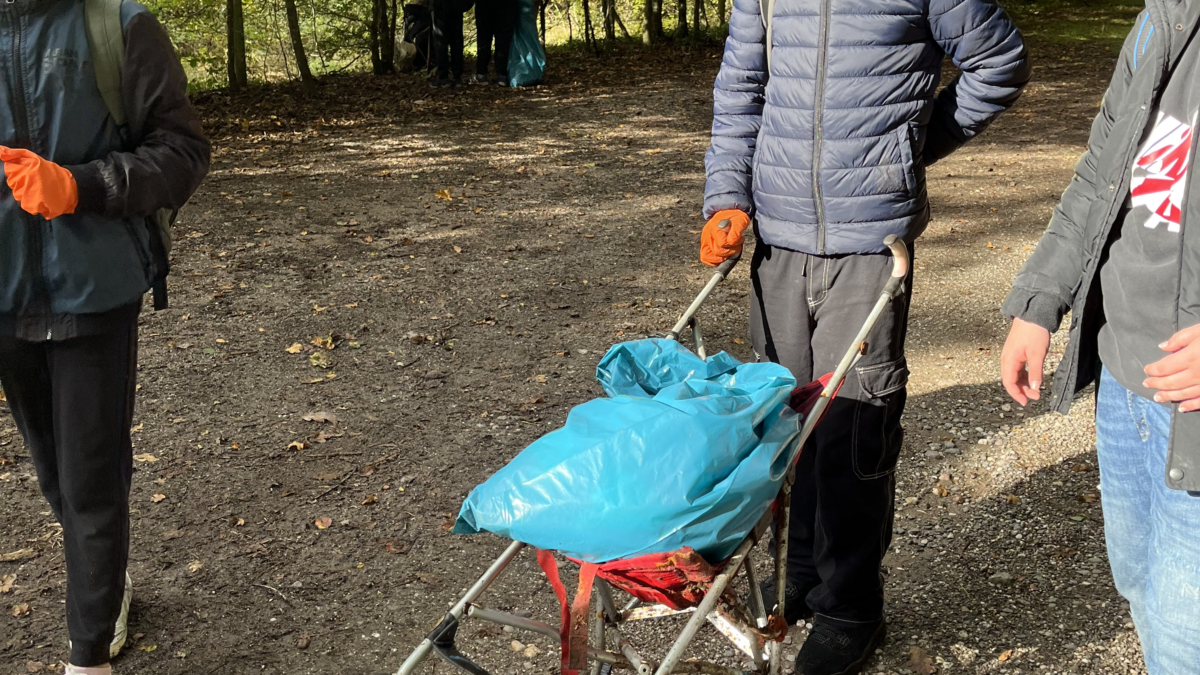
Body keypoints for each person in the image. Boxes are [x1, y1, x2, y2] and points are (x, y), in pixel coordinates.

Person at [701, 0, 1028, 673]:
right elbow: (741, 84)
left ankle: (853, 606)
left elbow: (999, 62)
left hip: (870, 248)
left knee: (856, 427)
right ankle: (801, 577)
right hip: (777, 242)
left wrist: (908, 148)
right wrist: (726, 196)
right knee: (784, 422)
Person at [0, 0, 209, 673]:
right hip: (4, 298)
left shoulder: (117, 26)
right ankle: (107, 583)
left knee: (91, 482)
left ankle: (88, 655)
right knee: (57, 473)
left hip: (95, 292)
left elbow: (183, 151)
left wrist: (81, 187)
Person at [1001, 4, 1200, 672]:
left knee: (1185, 638)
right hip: (1124, 383)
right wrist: (1040, 300)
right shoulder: (1166, 18)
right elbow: (1100, 173)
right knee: (1142, 589)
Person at [471, 0, 516, 85]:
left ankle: (482, 74)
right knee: (503, 39)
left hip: (485, 6)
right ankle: (501, 75)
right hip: (506, 6)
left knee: (484, 38)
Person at [430, 0, 471, 87]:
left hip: (440, 7)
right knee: (456, 41)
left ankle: (444, 77)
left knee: (441, 43)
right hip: (456, 7)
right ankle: (457, 77)